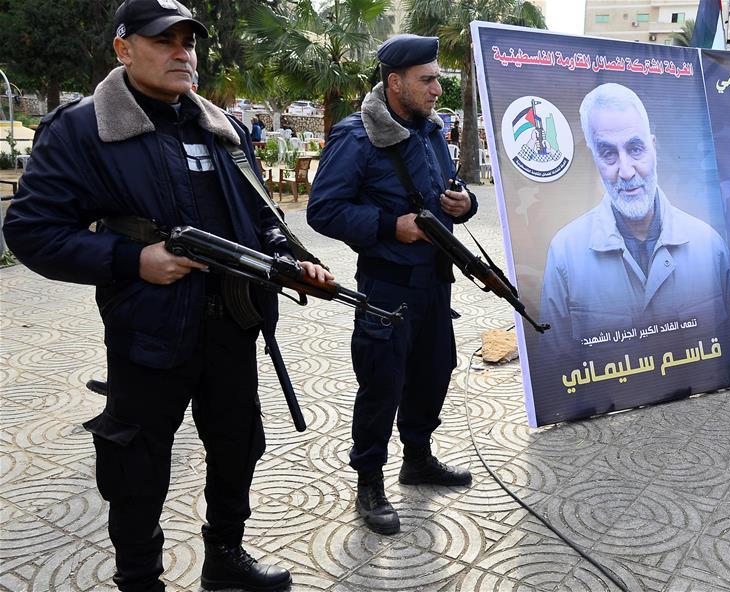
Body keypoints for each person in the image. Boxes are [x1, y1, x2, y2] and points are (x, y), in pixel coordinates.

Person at [2, 1, 331, 590]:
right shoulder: (82, 129)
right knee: (137, 463)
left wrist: (295, 259)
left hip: (233, 322)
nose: (184, 53)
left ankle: (225, 558)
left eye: (189, 42)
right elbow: (31, 231)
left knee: (238, 445)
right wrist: (133, 260)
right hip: (149, 331)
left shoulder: (221, 127)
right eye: (164, 41)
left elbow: (262, 215)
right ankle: (140, 579)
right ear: (123, 49)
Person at [307, 34, 477, 535]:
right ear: (395, 82)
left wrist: (464, 205)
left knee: (433, 371)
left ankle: (417, 459)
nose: (436, 90)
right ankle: (369, 484)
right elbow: (323, 210)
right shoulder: (356, 135)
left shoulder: (430, 130)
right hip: (387, 289)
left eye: (438, 80)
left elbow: (453, 192)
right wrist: (387, 226)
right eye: (427, 80)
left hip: (435, 284)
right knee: (382, 383)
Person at [540, 83, 730, 350]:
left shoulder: (709, 246)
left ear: (653, 148)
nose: (627, 171)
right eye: (608, 153)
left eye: (635, 149)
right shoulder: (565, 254)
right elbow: (556, 364)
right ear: (594, 159)